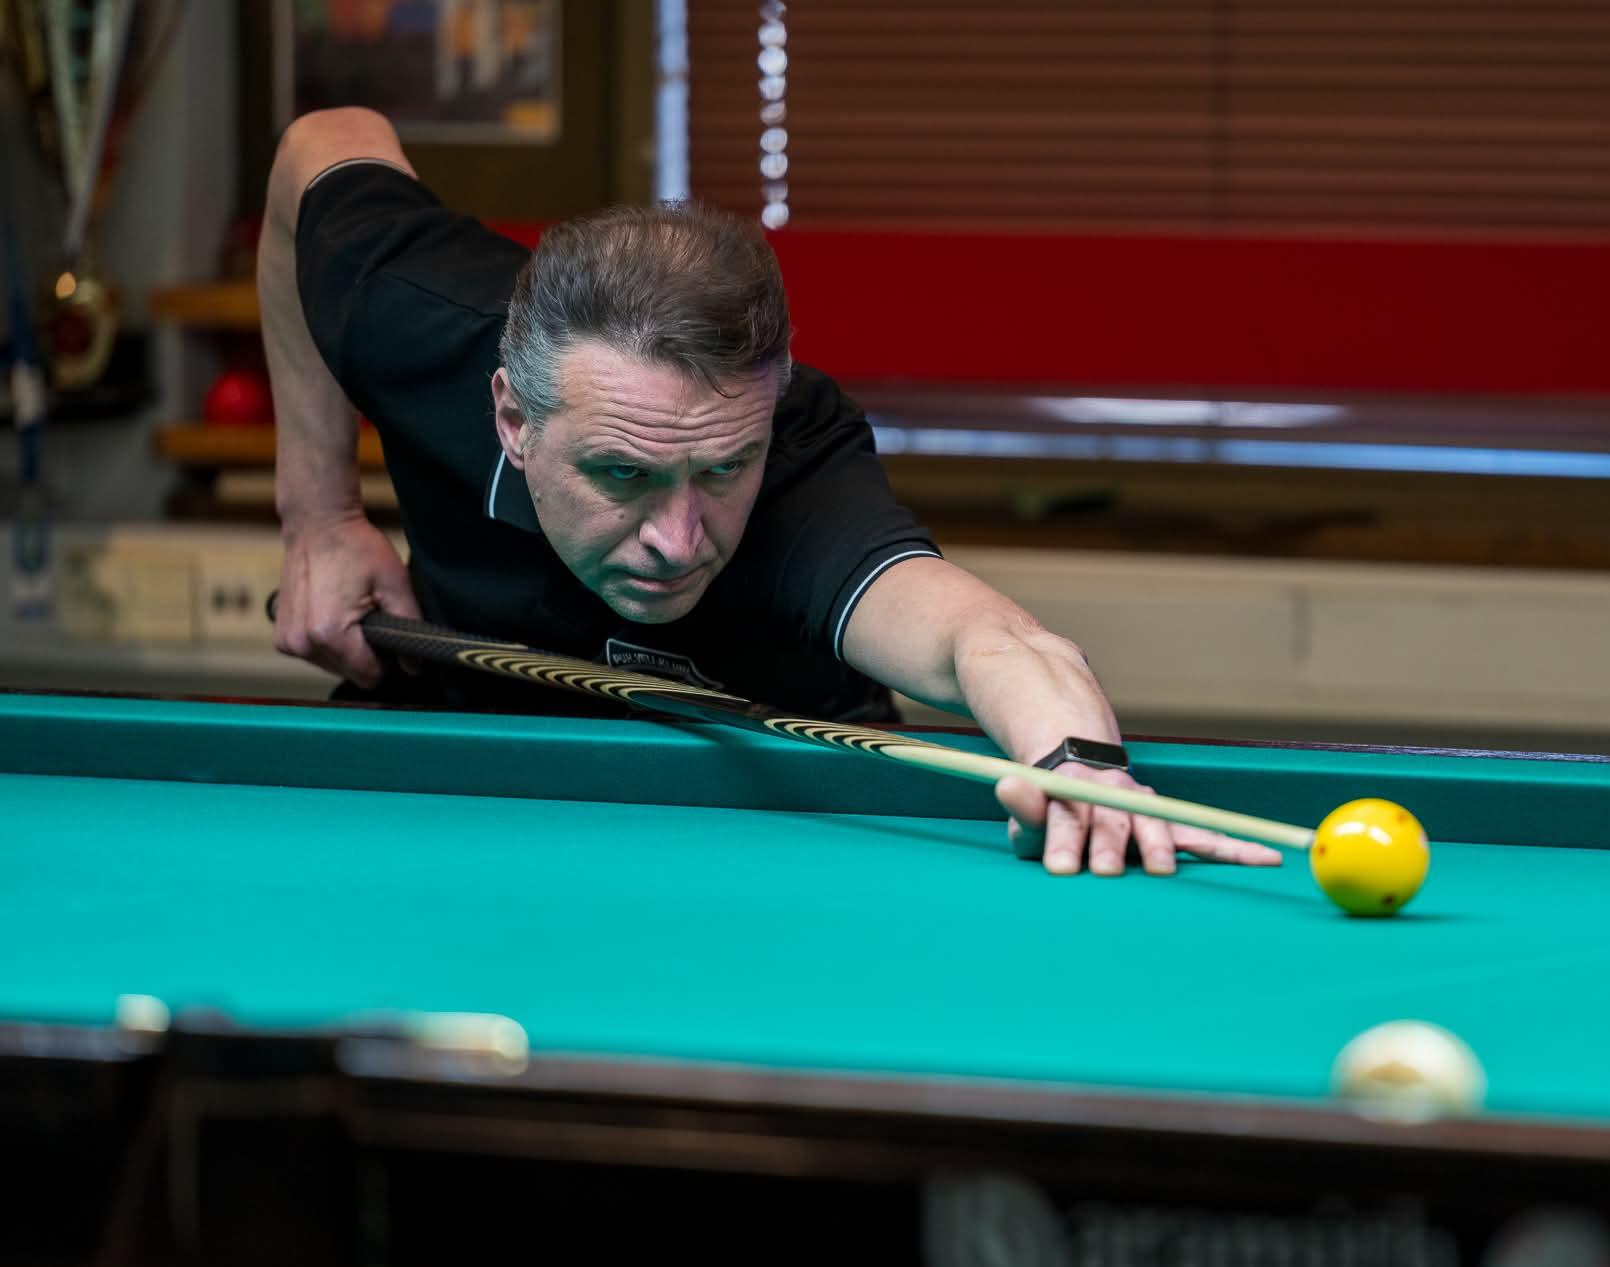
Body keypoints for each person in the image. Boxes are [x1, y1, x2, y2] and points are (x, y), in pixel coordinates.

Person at [259, 107, 1278, 881]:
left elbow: (989, 640)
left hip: (795, 817)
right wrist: (320, 516)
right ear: (513, 419)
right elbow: (318, 145)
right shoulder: (414, 316)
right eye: (622, 473)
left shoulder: (800, 465)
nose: (678, 538)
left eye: (721, 470)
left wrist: (1078, 761)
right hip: (464, 773)